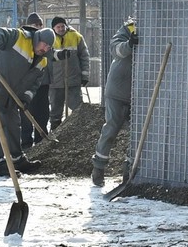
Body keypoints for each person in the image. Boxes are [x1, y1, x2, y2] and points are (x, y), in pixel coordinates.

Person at [0, 24, 54, 177]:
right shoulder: (19, 37)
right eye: (45, 44)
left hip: (12, 95)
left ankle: (17, 159)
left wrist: (26, 98)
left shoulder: (42, 61)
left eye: (49, 47)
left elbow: (35, 84)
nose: (45, 49)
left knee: (14, 124)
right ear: (38, 38)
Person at [91, 17, 137, 187]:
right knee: (110, 129)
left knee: (137, 133)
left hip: (140, 94)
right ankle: (99, 169)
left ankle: (129, 170)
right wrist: (129, 44)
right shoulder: (128, 28)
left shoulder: (158, 29)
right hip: (117, 91)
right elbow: (115, 49)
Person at [47, 15, 90, 130]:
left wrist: (85, 75)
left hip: (72, 80)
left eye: (62, 26)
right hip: (55, 82)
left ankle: (80, 130)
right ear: (53, 28)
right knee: (56, 110)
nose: (61, 29)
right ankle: (55, 131)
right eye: (58, 27)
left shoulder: (76, 36)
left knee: (77, 108)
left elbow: (84, 56)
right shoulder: (49, 39)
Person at [20, 12, 51, 149]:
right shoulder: (24, 40)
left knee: (43, 113)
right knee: (26, 114)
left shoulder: (46, 40)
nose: (38, 27)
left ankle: (41, 142)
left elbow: (51, 54)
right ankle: (26, 143)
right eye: (35, 24)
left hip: (43, 84)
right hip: (26, 85)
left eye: (40, 24)